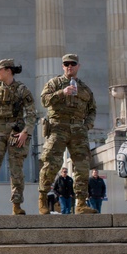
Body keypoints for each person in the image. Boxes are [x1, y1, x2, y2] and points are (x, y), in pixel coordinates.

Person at [0, 59, 36, 216]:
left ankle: (17, 205)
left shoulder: (22, 90)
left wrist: (26, 132)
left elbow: (31, 113)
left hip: (16, 131)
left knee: (16, 169)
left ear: (8, 70)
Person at [38, 53, 97, 214]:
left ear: (78, 66)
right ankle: (43, 198)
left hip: (78, 130)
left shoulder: (84, 89)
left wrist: (87, 125)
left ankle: (81, 203)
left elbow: (92, 110)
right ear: (63, 67)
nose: (69, 66)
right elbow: (44, 100)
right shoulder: (54, 83)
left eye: (72, 64)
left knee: (82, 166)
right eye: (66, 64)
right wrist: (61, 93)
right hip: (58, 127)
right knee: (51, 163)